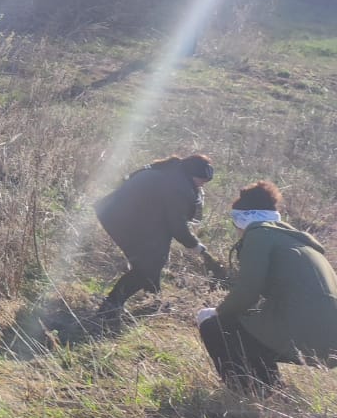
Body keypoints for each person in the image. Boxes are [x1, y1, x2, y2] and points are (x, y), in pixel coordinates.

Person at [197, 181, 337, 393]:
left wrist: (218, 313)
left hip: (307, 337)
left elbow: (247, 291)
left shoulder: (259, 235)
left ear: (241, 220)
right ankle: (272, 389)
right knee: (251, 330)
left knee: (213, 326)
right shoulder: (298, 241)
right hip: (330, 341)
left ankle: (248, 393)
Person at [93, 153, 220, 317]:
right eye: (202, 180)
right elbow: (177, 226)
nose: (203, 185)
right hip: (124, 218)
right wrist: (195, 245)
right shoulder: (178, 187)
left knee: (154, 259)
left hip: (121, 213)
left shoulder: (172, 171)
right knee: (148, 264)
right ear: (193, 175)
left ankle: (154, 300)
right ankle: (111, 304)